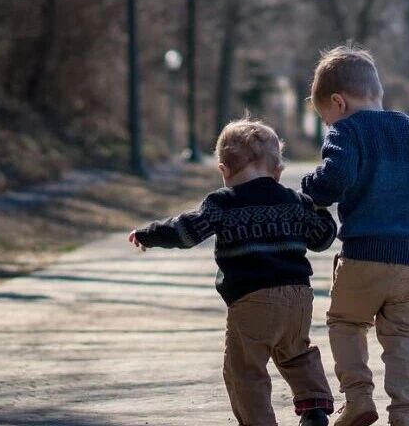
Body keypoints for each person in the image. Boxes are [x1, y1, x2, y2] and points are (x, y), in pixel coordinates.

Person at [129, 119, 337, 426]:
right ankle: (314, 409)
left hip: (252, 299)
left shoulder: (222, 202)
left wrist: (149, 234)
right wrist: (321, 214)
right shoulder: (295, 201)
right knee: (296, 353)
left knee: (245, 370)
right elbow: (322, 239)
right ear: (278, 170)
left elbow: (186, 232)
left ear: (224, 171)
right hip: (298, 297)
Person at [301, 45, 409, 426]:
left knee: (345, 323)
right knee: (404, 340)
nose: (329, 124)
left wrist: (309, 188)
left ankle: (357, 398)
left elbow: (332, 182)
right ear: (377, 93)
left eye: (325, 118)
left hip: (364, 257)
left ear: (337, 103)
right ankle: (405, 414)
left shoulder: (347, 131)